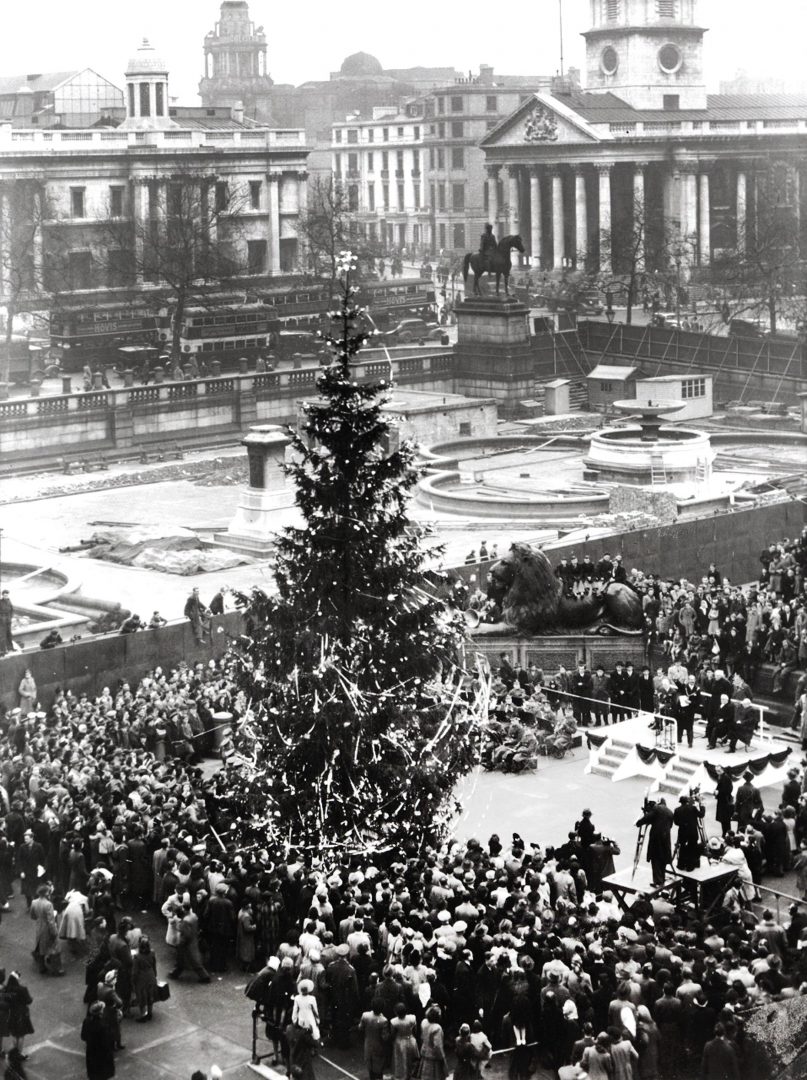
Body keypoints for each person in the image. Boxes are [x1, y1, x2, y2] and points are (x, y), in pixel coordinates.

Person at [635, 799, 673, 886]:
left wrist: (638, 823)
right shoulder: (670, 812)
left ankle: (658, 882)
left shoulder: (657, 809)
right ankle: (662, 879)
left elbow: (647, 818)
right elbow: (670, 825)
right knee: (663, 859)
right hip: (666, 838)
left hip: (656, 838)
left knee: (655, 858)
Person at [29, 883, 64, 976]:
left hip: (39, 928)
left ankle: (41, 968)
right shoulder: (48, 904)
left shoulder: (34, 902)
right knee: (54, 949)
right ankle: (56, 970)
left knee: (40, 947)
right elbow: (51, 921)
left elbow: (32, 916)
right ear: (46, 893)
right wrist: (54, 932)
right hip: (48, 929)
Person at [81, 1000, 116, 1080]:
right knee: (103, 1074)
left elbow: (83, 1036)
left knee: (93, 1074)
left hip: (91, 1052)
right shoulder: (103, 1025)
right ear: (100, 1012)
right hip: (102, 1054)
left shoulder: (87, 1021)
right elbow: (108, 1040)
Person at [673, 794, 705, 872]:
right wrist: (702, 806)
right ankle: (690, 866)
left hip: (683, 832)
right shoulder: (693, 808)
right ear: (687, 801)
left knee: (682, 848)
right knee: (692, 848)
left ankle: (681, 865)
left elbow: (676, 822)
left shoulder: (677, 810)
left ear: (680, 802)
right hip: (692, 832)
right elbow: (701, 815)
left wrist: (682, 823)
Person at [359, 999, 390, 1080]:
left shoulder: (365, 1015)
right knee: (379, 1066)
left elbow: (360, 1027)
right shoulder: (384, 1020)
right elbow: (385, 1037)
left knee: (370, 1063)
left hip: (368, 1043)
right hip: (379, 1046)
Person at [131, 937, 158, 1023]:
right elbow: (154, 965)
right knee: (150, 996)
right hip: (151, 976)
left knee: (142, 998)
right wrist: (155, 975)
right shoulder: (152, 953)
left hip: (141, 979)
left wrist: (133, 981)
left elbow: (135, 972)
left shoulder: (137, 957)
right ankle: (150, 1013)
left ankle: (144, 1015)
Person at [390, 1002, 419, 1080]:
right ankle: (410, 1075)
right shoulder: (412, 1018)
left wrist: (393, 1040)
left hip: (400, 1041)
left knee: (400, 1060)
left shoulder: (394, 1021)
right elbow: (415, 1030)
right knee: (411, 1059)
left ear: (396, 1012)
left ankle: (401, 1076)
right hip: (411, 1039)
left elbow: (393, 1034)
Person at [0, 589, 14, 655]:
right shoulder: (0, 602)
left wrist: (11, 617)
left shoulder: (9, 601)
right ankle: (3, 650)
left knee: (9, 635)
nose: (6, 596)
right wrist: (1, 618)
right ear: (2, 595)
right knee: (3, 636)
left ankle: (10, 648)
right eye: (5, 595)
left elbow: (12, 609)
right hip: (2, 622)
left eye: (7, 595)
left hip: (8, 621)